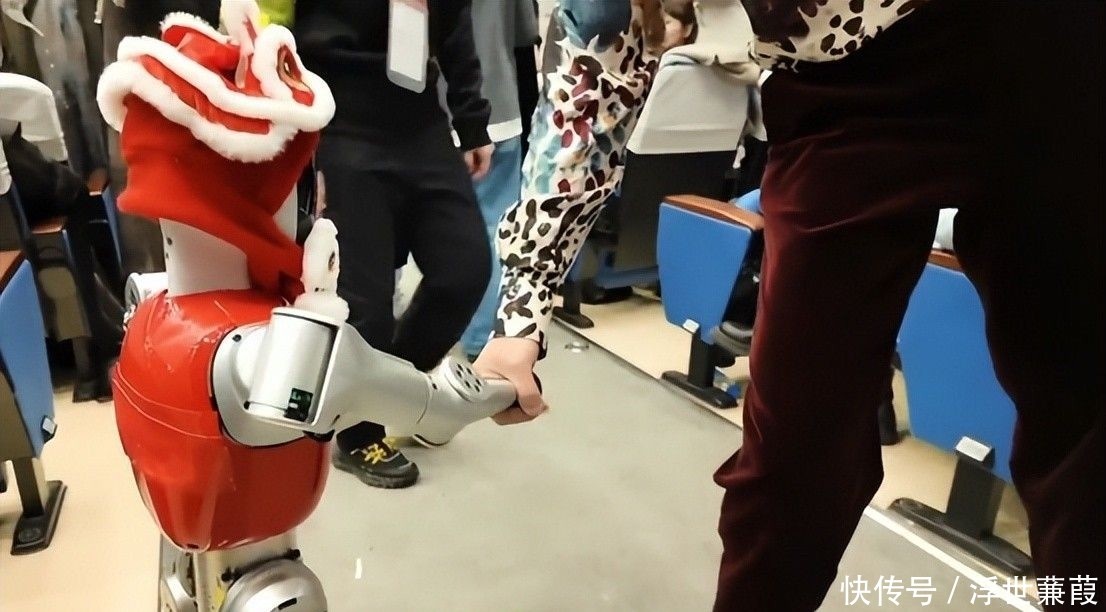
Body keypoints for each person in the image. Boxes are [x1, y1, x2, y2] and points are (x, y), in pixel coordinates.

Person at [476, 1, 1104, 610]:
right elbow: (591, 69)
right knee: (796, 453)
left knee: (1081, 416)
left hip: (1055, 44)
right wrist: (521, 312)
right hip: (847, 88)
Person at [295, 0, 494, 489]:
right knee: (366, 303)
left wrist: (471, 120)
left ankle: (393, 395)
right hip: (339, 120)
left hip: (420, 121)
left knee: (464, 270)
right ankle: (359, 432)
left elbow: (454, 23)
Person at [459, 0, 540, 362]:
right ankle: (482, 338)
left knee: (397, 218)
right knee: (496, 226)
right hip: (499, 105)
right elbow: (525, 31)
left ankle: (377, 336)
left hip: (429, 106)